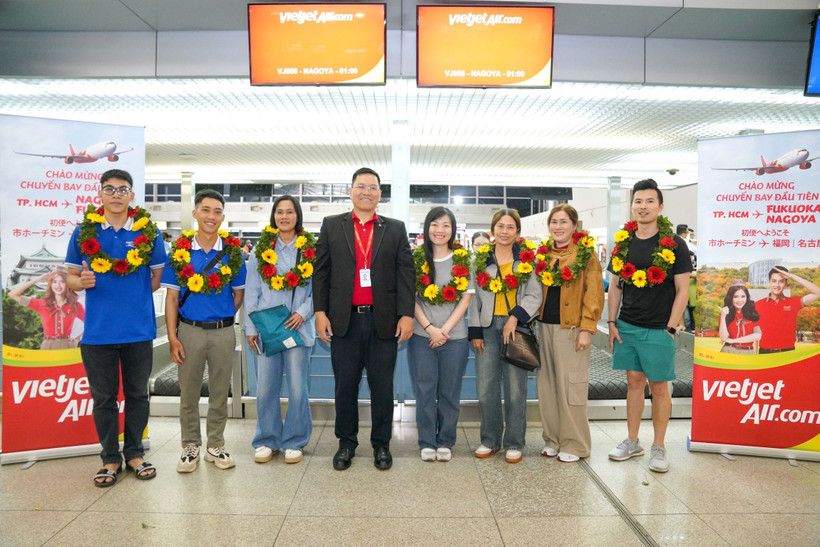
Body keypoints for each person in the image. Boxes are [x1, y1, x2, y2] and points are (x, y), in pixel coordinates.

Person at [65, 168, 166, 486]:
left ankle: (135, 454)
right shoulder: (84, 232)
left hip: (138, 330)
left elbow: (155, 279)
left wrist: (130, 297)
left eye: (123, 189)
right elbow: (69, 278)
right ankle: (110, 458)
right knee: (104, 399)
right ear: (100, 194)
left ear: (132, 195)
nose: (116, 194)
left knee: (138, 395)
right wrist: (80, 280)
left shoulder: (148, 232)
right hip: (97, 332)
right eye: (109, 189)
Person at [313, 167, 415, 471]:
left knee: (382, 387)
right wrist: (320, 313)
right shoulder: (332, 226)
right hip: (344, 321)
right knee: (345, 385)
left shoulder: (394, 229)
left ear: (380, 194)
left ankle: (381, 445)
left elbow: (406, 275)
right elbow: (321, 273)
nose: (366, 192)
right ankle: (346, 443)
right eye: (361, 186)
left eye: (373, 187)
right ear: (351, 191)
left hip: (383, 321)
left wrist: (407, 315)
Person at [606, 178, 691, 473]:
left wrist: (670, 327)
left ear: (660, 206)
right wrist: (611, 322)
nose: (643, 206)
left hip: (658, 329)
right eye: (638, 201)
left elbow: (683, 290)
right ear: (631, 206)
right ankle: (632, 441)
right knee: (633, 383)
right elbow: (615, 286)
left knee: (658, 387)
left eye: (649, 201)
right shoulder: (623, 243)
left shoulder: (675, 245)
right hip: (627, 325)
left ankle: (659, 446)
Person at [163, 189, 247, 473]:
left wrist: (222, 317)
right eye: (206, 210)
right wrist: (173, 336)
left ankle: (215, 445)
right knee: (188, 391)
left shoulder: (233, 254)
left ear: (223, 217)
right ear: (196, 213)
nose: (212, 216)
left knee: (220, 391)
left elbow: (238, 295)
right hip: (189, 331)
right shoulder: (181, 252)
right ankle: (190, 446)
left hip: (223, 332)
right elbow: (172, 297)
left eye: (217, 211)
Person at [244, 195, 315, 465]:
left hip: (299, 329)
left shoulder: (310, 250)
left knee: (298, 388)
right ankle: (267, 439)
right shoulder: (262, 250)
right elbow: (251, 292)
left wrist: (302, 313)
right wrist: (251, 327)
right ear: (274, 216)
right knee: (265, 388)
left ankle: (295, 440)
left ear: (297, 216)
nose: (284, 216)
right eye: (279, 212)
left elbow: (320, 290)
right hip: (266, 329)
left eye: (290, 212)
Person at [468, 209, 542, 464]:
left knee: (514, 389)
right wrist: (475, 331)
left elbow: (535, 295)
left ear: (517, 232)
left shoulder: (526, 261)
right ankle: (489, 440)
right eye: (500, 226)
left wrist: (515, 317)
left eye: (510, 227)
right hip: (486, 329)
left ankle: (514, 442)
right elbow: (473, 298)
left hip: (516, 328)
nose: (504, 231)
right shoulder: (480, 260)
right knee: (486, 388)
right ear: (493, 230)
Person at [535, 205, 604, 463]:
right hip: (545, 327)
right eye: (554, 221)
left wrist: (587, 327)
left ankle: (575, 444)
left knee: (571, 387)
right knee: (548, 387)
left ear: (574, 225)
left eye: (564, 221)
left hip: (571, 329)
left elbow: (594, 292)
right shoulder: (543, 254)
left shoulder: (586, 254)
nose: (558, 226)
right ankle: (552, 439)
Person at [409, 207, 473, 462]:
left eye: (446, 225)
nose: (440, 230)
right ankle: (426, 441)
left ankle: (445, 440)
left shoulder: (462, 259)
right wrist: (429, 328)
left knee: (449, 391)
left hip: (454, 338)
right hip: (421, 336)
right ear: (427, 228)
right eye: (435, 224)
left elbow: (466, 299)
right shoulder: (416, 259)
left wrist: (444, 330)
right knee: (424, 390)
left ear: (453, 229)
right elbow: (409, 299)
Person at [8, 267, 85, 349]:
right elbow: (13, 294)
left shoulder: (75, 306)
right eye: (54, 282)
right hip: (48, 346)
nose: (58, 285)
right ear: (51, 284)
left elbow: (90, 323)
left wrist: (79, 337)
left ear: (67, 284)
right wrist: (37, 280)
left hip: (68, 346)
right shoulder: (42, 304)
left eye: (62, 282)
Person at [754, 266, 820, 353]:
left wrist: (793, 276)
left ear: (786, 284)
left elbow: (818, 293)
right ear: (769, 282)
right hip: (765, 353)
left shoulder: (793, 302)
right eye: (774, 281)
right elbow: (753, 334)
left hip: (788, 353)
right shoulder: (757, 305)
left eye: (781, 281)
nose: (777, 285)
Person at [719, 283, 761, 354]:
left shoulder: (752, 314)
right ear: (731, 298)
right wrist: (723, 317)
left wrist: (733, 340)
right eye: (736, 297)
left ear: (747, 298)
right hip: (728, 351)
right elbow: (724, 338)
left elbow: (757, 335)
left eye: (743, 296)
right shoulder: (726, 314)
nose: (739, 300)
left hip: (748, 352)